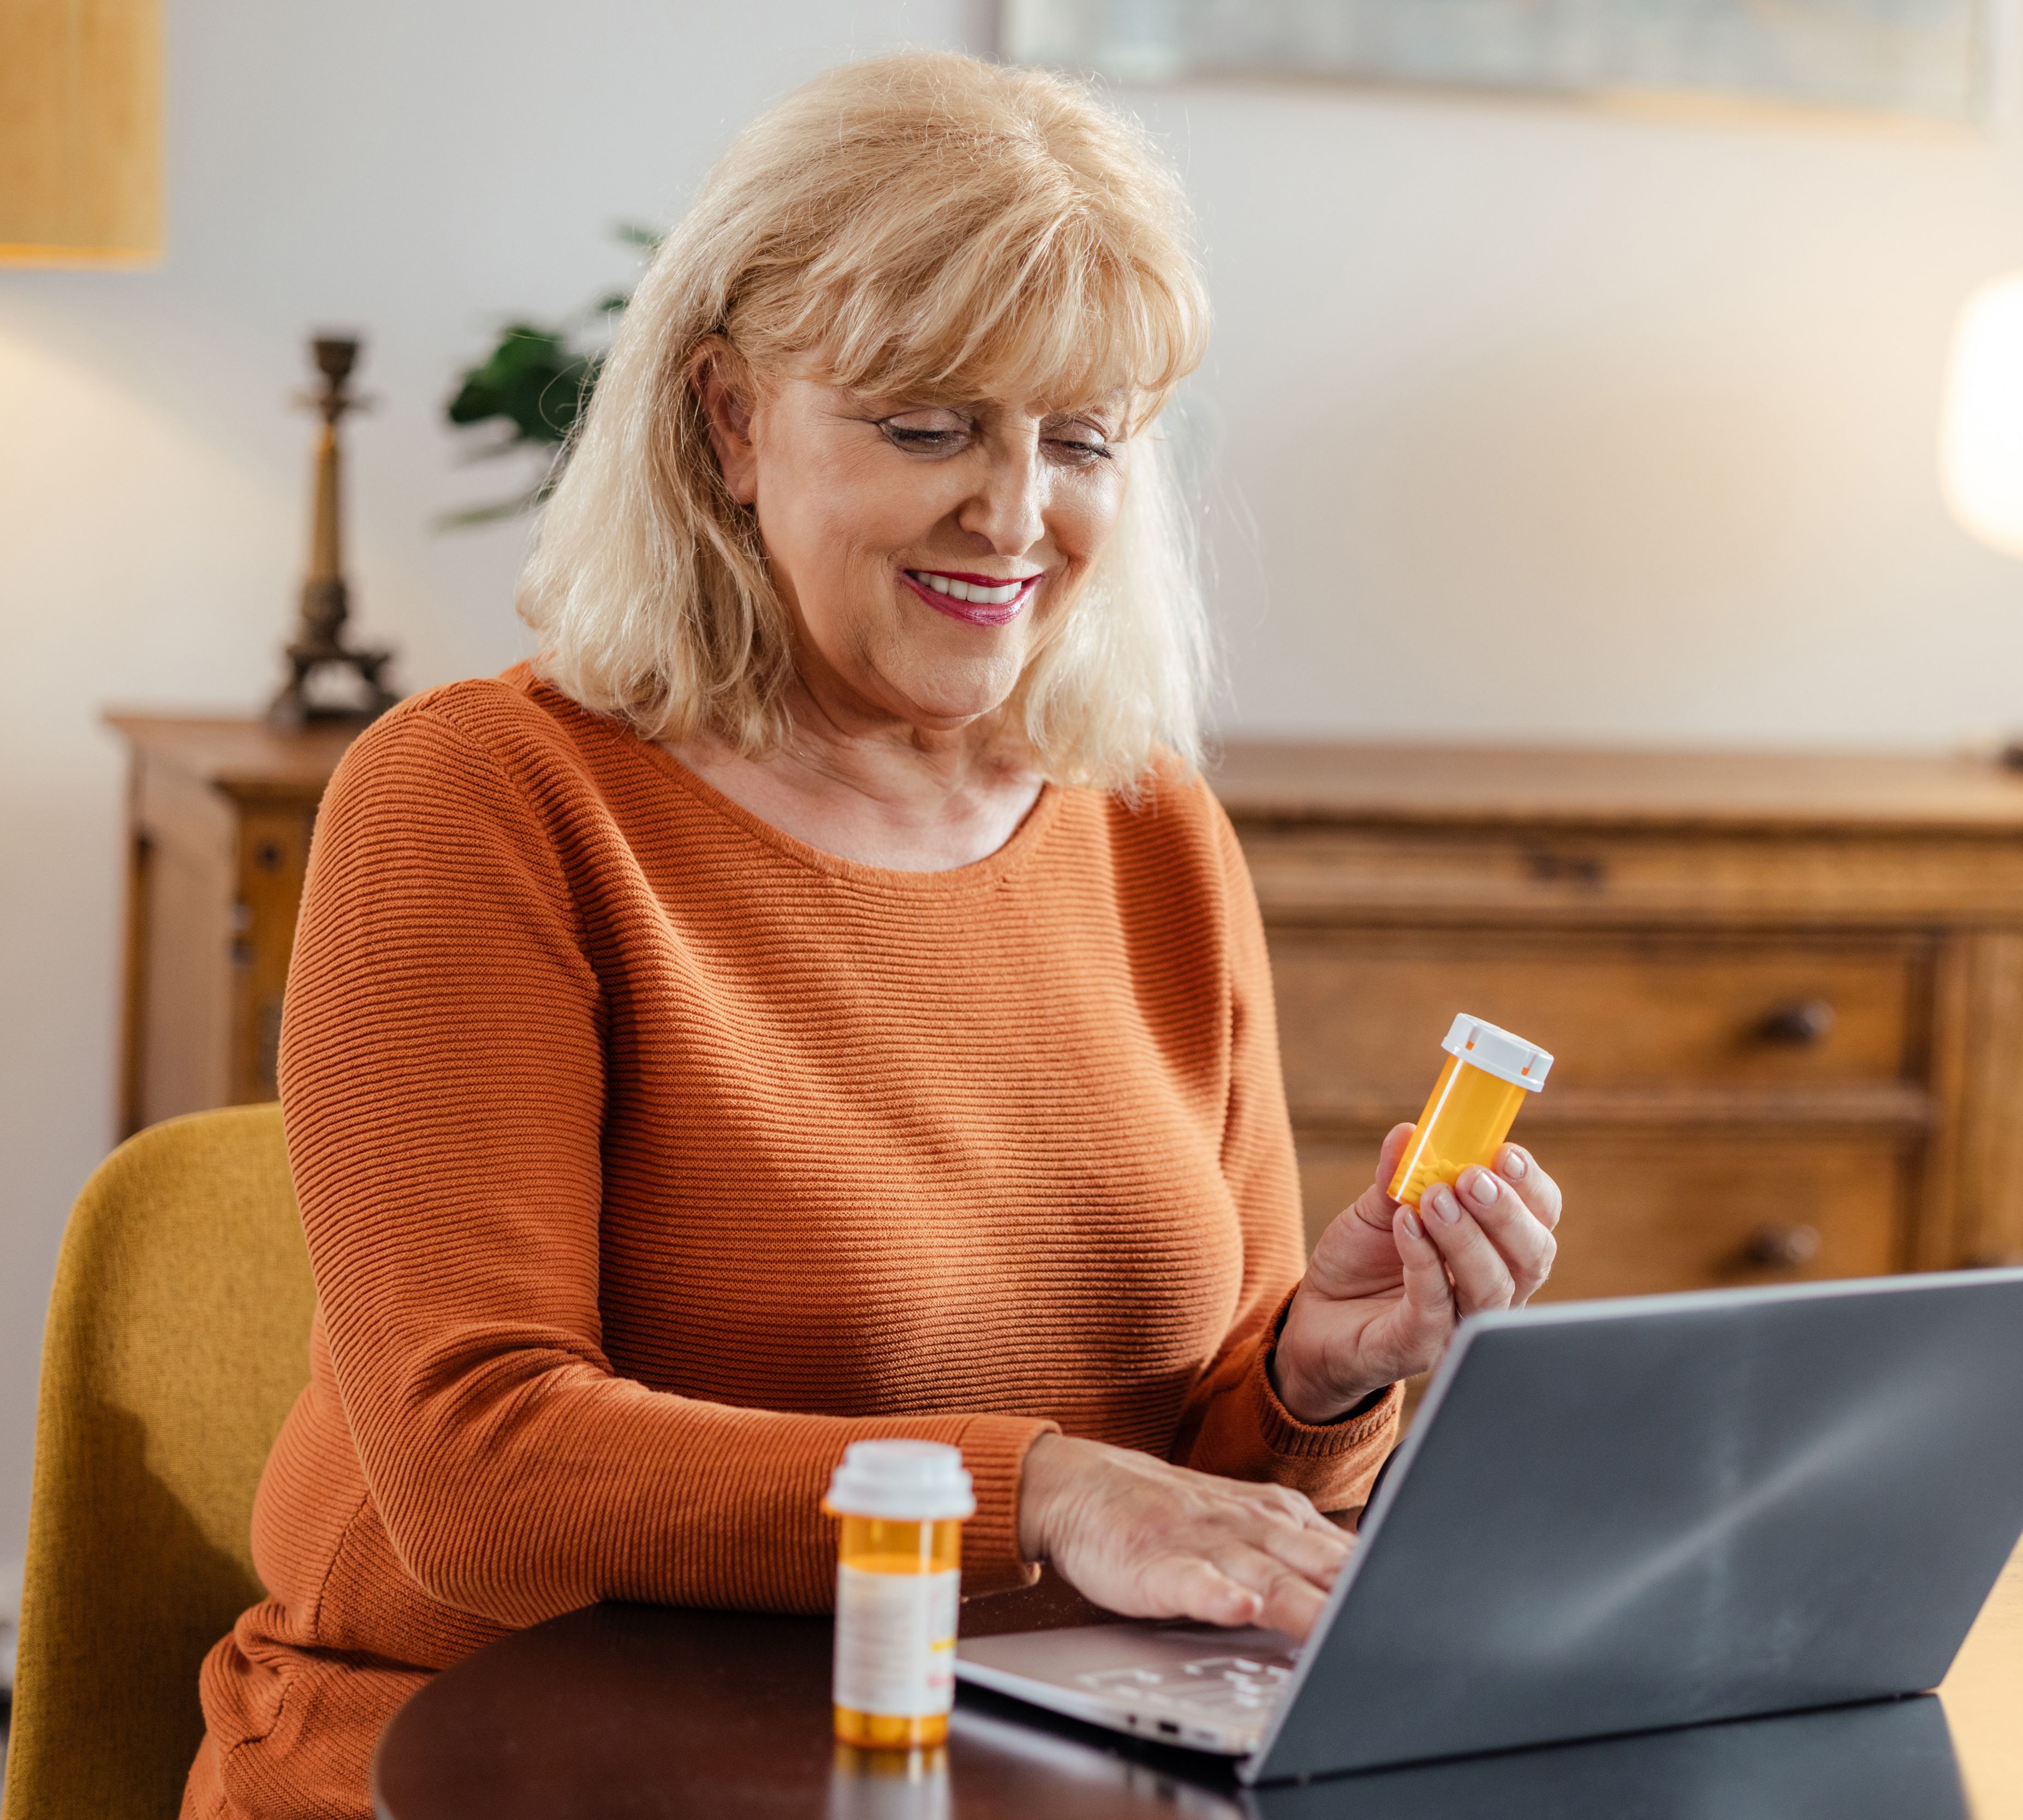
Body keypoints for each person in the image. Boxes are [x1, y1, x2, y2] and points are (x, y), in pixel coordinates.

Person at [185, 49, 1563, 1820]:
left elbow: (1205, 1482)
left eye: (1080, 442)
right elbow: (481, 1476)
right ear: (730, 420)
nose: (1013, 514)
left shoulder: (1147, 829)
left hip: (997, 1763)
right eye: (927, 426)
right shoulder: (483, 800)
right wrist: (1042, 1490)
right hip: (491, 1760)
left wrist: (1317, 1372)